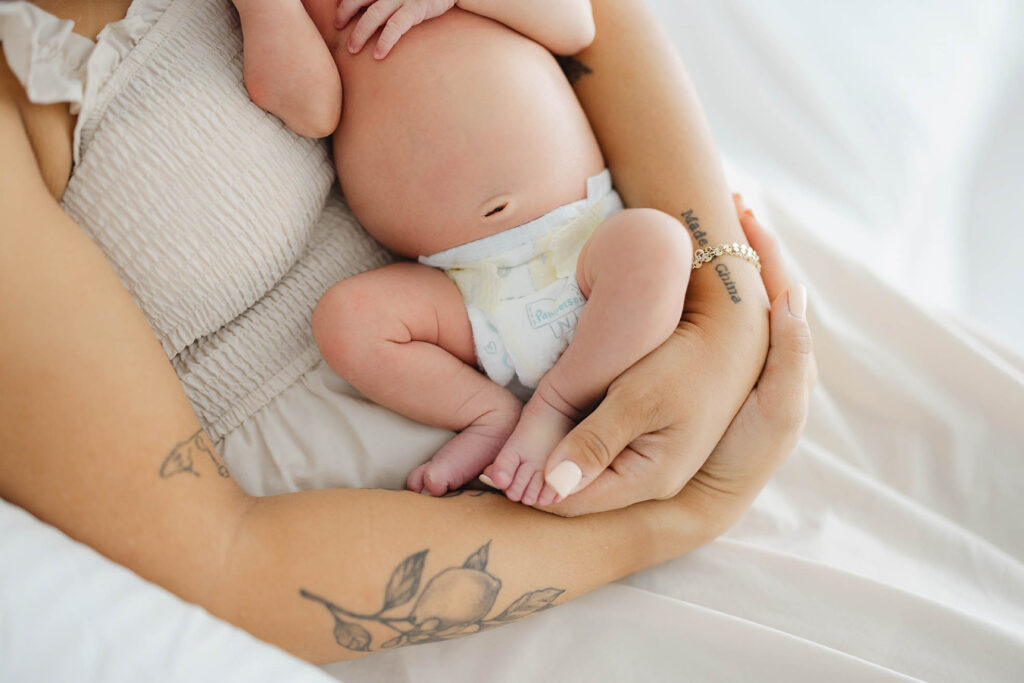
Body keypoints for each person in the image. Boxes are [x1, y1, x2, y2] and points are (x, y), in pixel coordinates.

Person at [0, 0, 812, 666]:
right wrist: (680, 513)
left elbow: (585, 17)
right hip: (390, 554)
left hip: (617, 348)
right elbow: (220, 562)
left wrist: (726, 318)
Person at [233, 0, 707, 505]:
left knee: (658, 243)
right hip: (464, 292)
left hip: (582, 242)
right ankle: (488, 414)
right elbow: (310, 110)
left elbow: (574, 24)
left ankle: (556, 403)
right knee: (347, 321)